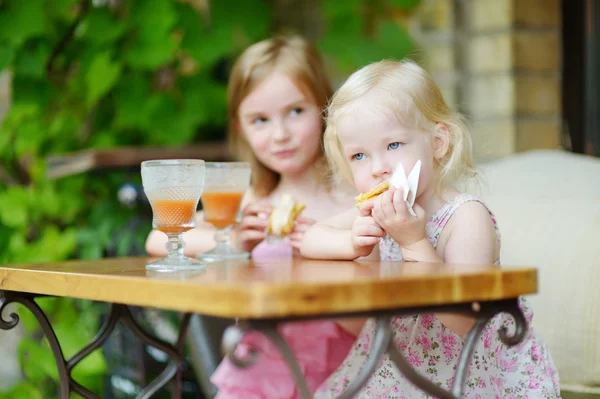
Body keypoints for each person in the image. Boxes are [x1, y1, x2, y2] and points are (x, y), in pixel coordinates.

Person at [301, 60, 561, 398]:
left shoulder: (465, 217)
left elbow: (464, 319)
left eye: (393, 145)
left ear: (437, 142)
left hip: (469, 371)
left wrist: (414, 241)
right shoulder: (378, 211)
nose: (378, 168)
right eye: (359, 155)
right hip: (401, 364)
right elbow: (310, 238)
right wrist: (351, 242)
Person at [144, 36, 357, 398]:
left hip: (348, 368)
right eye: (260, 120)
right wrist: (235, 238)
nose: (280, 135)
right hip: (262, 372)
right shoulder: (251, 201)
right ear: (240, 128)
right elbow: (158, 240)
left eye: (295, 112)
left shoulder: (351, 194)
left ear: (324, 108)